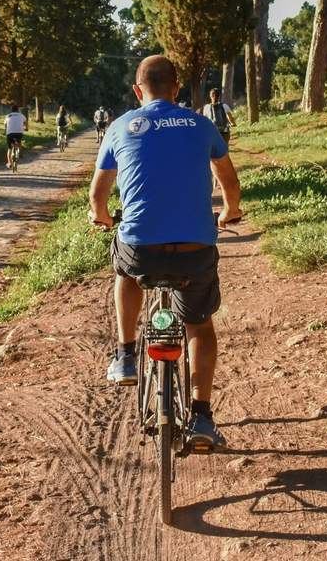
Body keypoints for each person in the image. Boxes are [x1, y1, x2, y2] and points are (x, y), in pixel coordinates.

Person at [89, 55, 243, 450]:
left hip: (142, 249)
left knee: (124, 269)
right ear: (176, 90)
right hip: (194, 248)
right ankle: (203, 417)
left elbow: (98, 195)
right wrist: (230, 212)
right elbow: (228, 180)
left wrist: (102, 217)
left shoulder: (120, 126)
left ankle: (125, 354)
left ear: (137, 91)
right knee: (200, 325)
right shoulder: (201, 123)